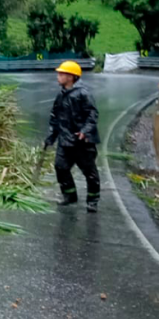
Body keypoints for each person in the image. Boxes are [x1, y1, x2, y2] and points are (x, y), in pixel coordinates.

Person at [45, 61, 101, 212]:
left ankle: (92, 200)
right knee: (60, 167)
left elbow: (92, 114)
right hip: (65, 141)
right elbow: (55, 117)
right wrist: (51, 136)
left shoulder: (83, 93)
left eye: (62, 74)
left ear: (71, 77)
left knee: (89, 172)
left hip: (82, 142)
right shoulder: (61, 95)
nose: (58, 77)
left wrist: (85, 131)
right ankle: (69, 196)